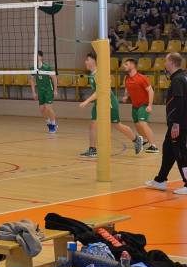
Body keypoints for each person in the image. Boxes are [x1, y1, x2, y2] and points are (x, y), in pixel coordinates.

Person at [78, 52, 143, 158]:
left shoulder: (100, 74)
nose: (85, 62)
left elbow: (99, 91)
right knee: (93, 124)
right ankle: (92, 149)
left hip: (109, 102)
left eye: (87, 60)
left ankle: (136, 139)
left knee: (117, 125)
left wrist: (86, 101)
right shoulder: (92, 74)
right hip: (99, 102)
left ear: (94, 61)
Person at [145, 53, 187, 194]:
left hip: (179, 124)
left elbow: (179, 103)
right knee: (168, 150)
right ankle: (160, 180)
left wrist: (176, 123)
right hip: (178, 123)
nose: (164, 63)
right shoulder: (180, 77)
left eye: (166, 61)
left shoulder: (178, 80)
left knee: (180, 152)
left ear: (172, 63)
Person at [121, 58, 159, 154]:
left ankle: (153, 146)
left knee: (143, 123)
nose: (124, 66)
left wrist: (150, 105)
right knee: (138, 126)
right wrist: (126, 96)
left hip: (144, 104)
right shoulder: (127, 78)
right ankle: (145, 139)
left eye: (126, 64)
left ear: (133, 65)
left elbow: (151, 91)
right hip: (135, 106)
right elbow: (127, 88)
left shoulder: (142, 78)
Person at [29, 51, 58, 134]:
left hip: (48, 90)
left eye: (37, 56)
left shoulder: (47, 67)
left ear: (41, 57)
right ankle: (49, 123)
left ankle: (53, 124)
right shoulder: (33, 68)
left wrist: (55, 90)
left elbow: (54, 78)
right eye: (34, 56)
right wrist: (33, 92)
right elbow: (31, 80)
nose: (35, 58)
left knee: (48, 107)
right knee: (42, 110)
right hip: (40, 91)